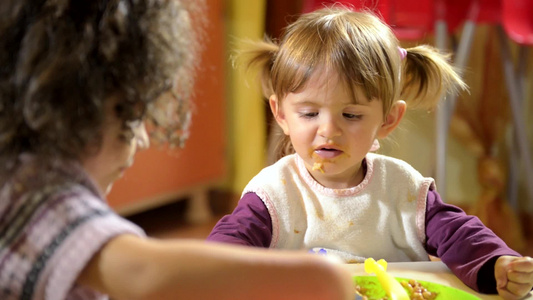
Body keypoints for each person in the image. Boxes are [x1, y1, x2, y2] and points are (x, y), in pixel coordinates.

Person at [0, 1, 355, 299]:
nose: (140, 139)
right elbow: (142, 272)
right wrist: (324, 276)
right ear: (93, 104)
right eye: (132, 113)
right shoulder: (31, 194)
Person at [206, 5, 533, 299]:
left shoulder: (401, 187)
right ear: (281, 114)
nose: (328, 130)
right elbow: (230, 245)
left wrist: (495, 265)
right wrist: (212, 275)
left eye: (351, 115)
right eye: (309, 113)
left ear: (388, 119)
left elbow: (459, 235)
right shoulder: (275, 192)